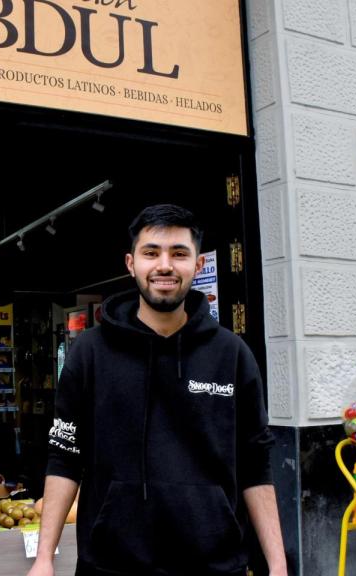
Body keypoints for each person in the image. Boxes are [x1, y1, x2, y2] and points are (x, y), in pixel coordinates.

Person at [28, 204, 287, 576]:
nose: (164, 265)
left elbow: (255, 466)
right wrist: (43, 559)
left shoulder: (232, 354)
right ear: (131, 263)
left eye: (179, 253)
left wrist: (277, 565)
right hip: (111, 566)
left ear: (198, 266)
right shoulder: (90, 353)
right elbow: (65, 457)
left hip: (214, 565)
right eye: (152, 253)